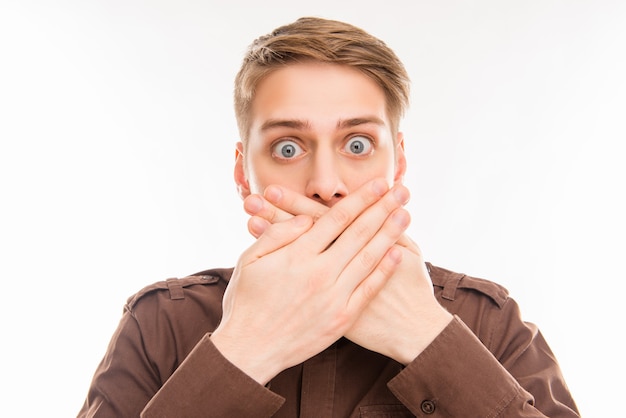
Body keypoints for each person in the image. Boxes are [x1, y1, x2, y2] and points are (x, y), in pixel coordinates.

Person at [78, 17, 579, 417]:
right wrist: (243, 351)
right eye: (288, 146)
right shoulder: (160, 324)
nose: (325, 182)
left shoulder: (487, 323)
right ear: (243, 172)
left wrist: (427, 337)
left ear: (398, 163)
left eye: (357, 144)